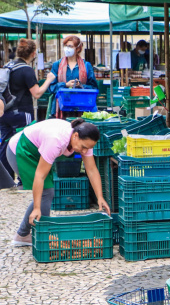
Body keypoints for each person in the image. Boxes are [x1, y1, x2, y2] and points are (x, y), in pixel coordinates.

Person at [0, 118, 109, 246]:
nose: (85, 151)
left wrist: (100, 197)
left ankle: (23, 235)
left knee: (47, 191)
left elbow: (91, 170)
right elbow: (40, 176)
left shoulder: (85, 141)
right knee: (47, 191)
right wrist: (36, 208)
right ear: (75, 136)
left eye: (88, 148)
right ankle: (41, 236)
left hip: (38, 148)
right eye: (83, 147)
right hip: (21, 149)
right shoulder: (56, 141)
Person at [0, 39, 56, 185]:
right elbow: (37, 93)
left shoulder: (8, 66)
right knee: (22, 144)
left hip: (5, 112)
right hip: (22, 113)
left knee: (5, 145)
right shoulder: (26, 70)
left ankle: (5, 180)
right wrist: (48, 80)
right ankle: (22, 179)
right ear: (32, 54)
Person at [48, 35, 98, 118]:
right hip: (61, 107)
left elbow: (94, 88)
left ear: (78, 48)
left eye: (70, 46)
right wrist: (65, 85)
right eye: (65, 46)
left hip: (81, 106)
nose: (67, 49)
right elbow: (51, 88)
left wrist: (81, 86)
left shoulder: (86, 66)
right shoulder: (57, 65)